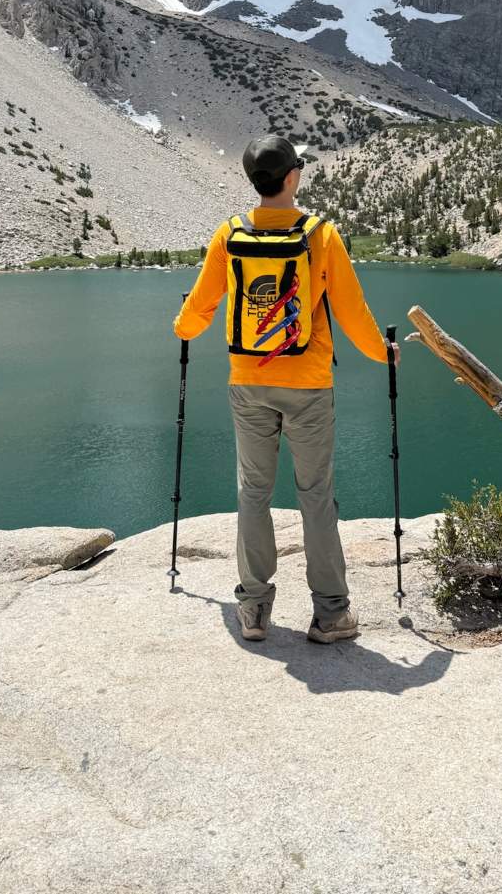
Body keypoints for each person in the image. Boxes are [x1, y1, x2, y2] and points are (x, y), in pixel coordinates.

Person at [173, 134, 399, 645]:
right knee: (315, 495)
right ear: (292, 177)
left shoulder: (229, 234)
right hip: (309, 385)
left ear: (255, 181)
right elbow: (351, 312)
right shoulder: (320, 235)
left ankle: (253, 610)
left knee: (254, 491)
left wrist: (181, 328)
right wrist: (384, 354)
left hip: (248, 383)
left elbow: (201, 310)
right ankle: (331, 615)